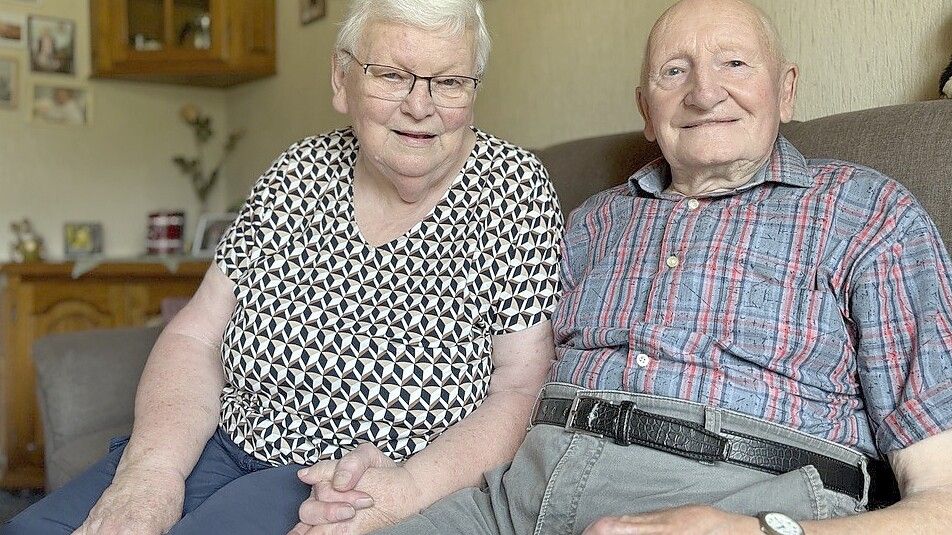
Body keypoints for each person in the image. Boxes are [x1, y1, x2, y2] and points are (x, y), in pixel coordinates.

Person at [299, 0, 952, 533]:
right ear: (646, 110)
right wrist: (389, 475)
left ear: (785, 90)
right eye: (674, 72)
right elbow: (486, 375)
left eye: (734, 63)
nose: (703, 91)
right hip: (511, 496)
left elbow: (941, 500)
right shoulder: (588, 222)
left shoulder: (870, 215)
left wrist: (758, 531)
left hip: (734, 495)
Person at [4, 0, 562, 533]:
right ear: (342, 81)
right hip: (218, 441)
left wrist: (406, 491)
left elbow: (520, 390)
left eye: (448, 81)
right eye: (391, 74)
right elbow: (197, 335)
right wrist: (152, 472)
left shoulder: (514, 190)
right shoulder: (296, 171)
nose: (421, 106)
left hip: (346, 481)